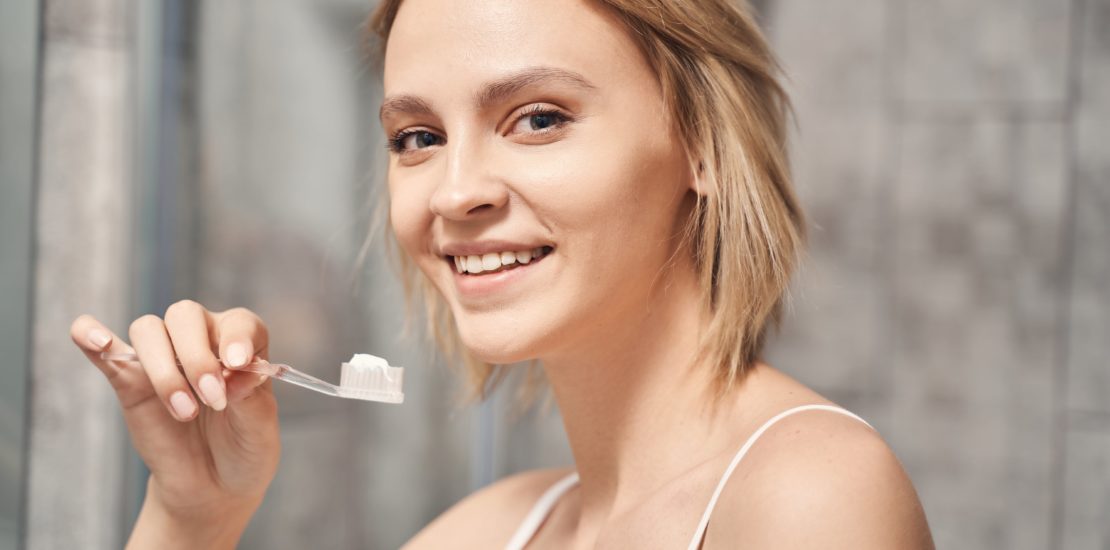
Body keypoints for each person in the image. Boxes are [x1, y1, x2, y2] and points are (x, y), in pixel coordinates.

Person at [70, 0, 935, 547]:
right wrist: (194, 518)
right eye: (418, 137)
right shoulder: (496, 529)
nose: (454, 192)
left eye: (537, 118)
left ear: (701, 143)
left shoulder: (813, 496)